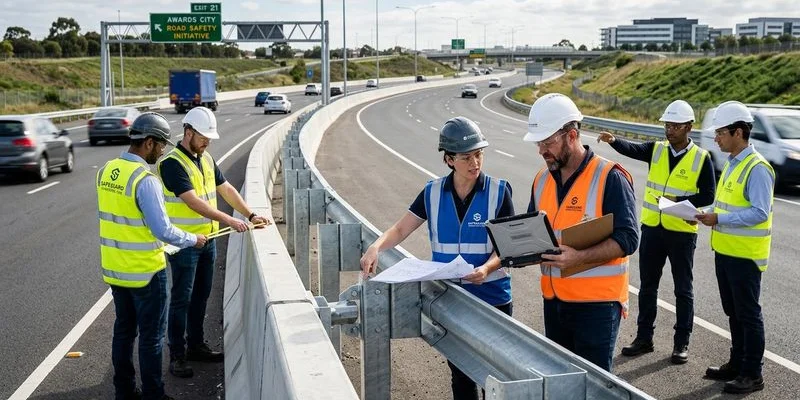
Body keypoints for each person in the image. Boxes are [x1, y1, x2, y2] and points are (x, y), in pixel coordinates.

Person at [360, 116, 514, 400]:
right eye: (466, 157)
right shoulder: (432, 192)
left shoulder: (498, 191)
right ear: (449, 160)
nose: (475, 163)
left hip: (492, 298)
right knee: (461, 375)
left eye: (479, 154)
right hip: (452, 298)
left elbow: (506, 248)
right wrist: (376, 247)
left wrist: (486, 268)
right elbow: (401, 229)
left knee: (494, 379)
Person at [524, 93, 639, 372]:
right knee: (561, 381)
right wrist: (520, 251)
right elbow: (534, 231)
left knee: (593, 385)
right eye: (539, 143)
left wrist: (579, 257)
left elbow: (628, 238)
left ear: (572, 136)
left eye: (548, 142)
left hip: (597, 306)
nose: (541, 151)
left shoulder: (610, 176)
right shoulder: (542, 179)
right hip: (555, 302)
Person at [97, 112, 207, 400]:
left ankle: (124, 392)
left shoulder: (106, 171)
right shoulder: (145, 180)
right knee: (151, 338)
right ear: (148, 142)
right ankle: (154, 395)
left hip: (116, 271)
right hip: (146, 273)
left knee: (123, 333)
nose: (162, 151)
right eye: (161, 145)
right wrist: (193, 239)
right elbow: (163, 230)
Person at [596, 100, 716, 364]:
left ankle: (681, 343)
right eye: (667, 125)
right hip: (652, 229)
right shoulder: (657, 149)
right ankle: (644, 338)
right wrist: (614, 140)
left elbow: (709, 194)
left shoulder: (701, 158)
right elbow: (633, 149)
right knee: (648, 287)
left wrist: (679, 200)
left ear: (689, 127)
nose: (669, 130)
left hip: (681, 233)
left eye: (675, 126)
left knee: (683, 289)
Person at [157, 106, 270, 378]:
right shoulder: (172, 163)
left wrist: (250, 214)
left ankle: (196, 346)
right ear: (188, 132)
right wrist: (230, 220)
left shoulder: (205, 158)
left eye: (209, 137)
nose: (207, 141)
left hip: (208, 240)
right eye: (203, 137)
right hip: (184, 244)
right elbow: (193, 202)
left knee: (201, 297)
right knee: (181, 300)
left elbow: (226, 188)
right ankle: (177, 355)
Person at [695, 101, 773, 394]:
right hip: (726, 251)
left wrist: (719, 218)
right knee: (734, 312)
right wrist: (705, 214)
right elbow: (725, 204)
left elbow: (760, 212)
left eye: (720, 133)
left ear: (738, 132)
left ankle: (752, 374)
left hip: (745, 256)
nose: (715, 138)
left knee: (748, 315)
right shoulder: (731, 163)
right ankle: (737, 363)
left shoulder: (758, 168)